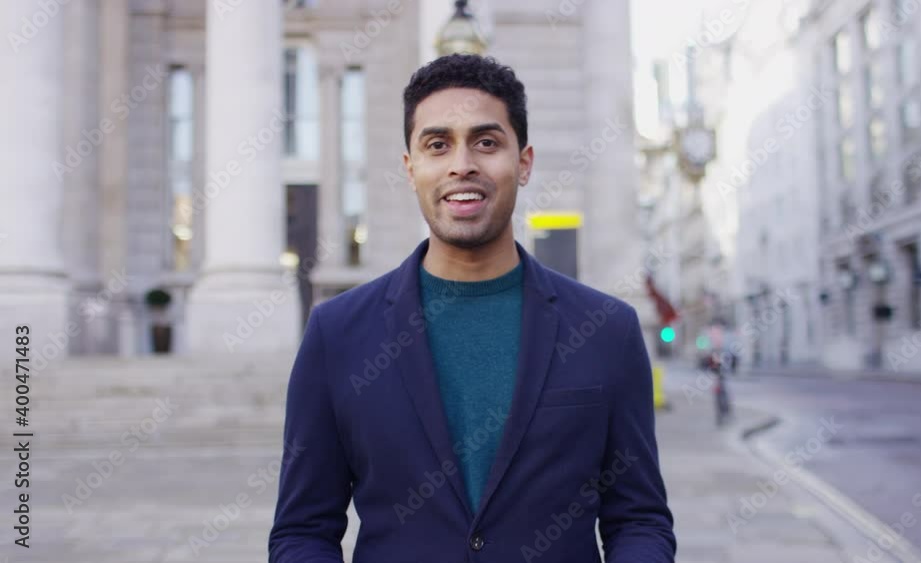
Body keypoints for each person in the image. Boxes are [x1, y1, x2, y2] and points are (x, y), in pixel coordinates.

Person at [268, 54, 676, 563]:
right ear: (411, 166)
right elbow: (302, 532)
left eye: (486, 142)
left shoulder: (606, 330)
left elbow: (638, 520)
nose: (463, 163)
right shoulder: (337, 333)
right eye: (438, 145)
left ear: (523, 164)